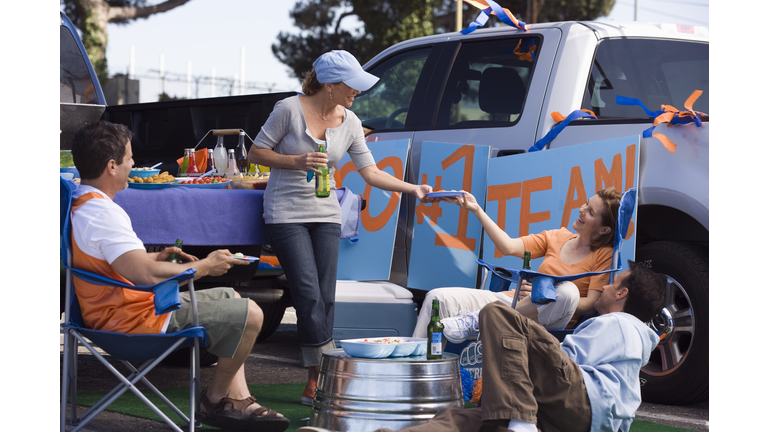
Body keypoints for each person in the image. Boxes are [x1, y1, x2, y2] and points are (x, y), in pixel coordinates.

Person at [69, 120, 289, 432]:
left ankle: (236, 399)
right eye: (130, 158)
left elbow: (117, 261)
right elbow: (145, 276)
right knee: (252, 313)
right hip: (132, 322)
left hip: (108, 313)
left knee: (232, 297)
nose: (134, 164)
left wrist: (154, 256)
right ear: (112, 166)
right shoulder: (105, 214)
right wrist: (205, 267)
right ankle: (214, 401)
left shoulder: (81, 201)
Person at [247, 50, 434, 405]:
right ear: (330, 85)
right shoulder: (288, 109)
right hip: (286, 212)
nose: (357, 93)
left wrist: (413, 188)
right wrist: (296, 160)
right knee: (307, 293)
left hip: (327, 214)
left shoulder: (349, 121)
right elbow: (255, 153)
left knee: (326, 296)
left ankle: (317, 378)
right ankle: (326, 371)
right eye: (352, 86)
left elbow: (371, 172)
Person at [297, 261, 666, 432]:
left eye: (612, 283)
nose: (603, 289)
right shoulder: (623, 329)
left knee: (498, 314)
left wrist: (516, 354)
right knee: (458, 420)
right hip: (562, 418)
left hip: (577, 405)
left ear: (622, 293)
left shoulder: (621, 323)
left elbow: (566, 365)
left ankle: (519, 421)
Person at [412, 188, 621, 341]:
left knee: (568, 291)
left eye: (591, 212)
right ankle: (415, 370)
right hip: (513, 302)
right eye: (586, 203)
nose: (582, 209)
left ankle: (480, 320)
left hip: (548, 321)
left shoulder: (603, 254)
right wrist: (476, 209)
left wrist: (546, 292)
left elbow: (591, 303)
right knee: (437, 298)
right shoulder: (557, 236)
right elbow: (508, 247)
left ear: (604, 230)